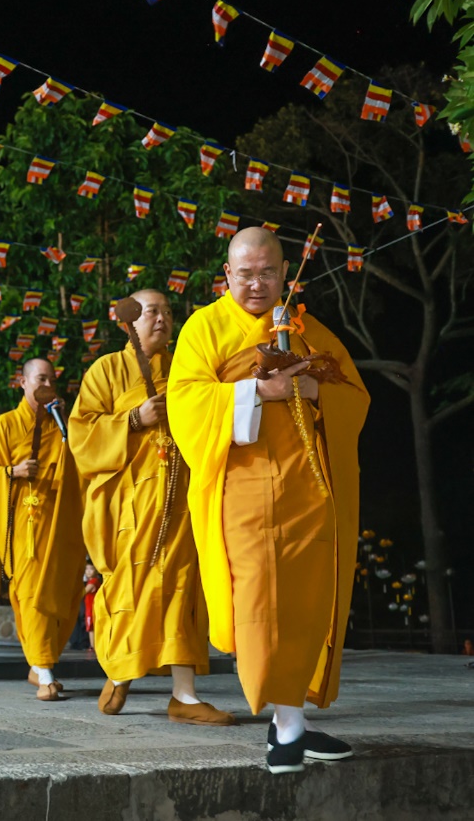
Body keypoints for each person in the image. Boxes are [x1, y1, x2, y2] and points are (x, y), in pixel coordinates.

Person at [167, 227, 368, 774]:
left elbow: (356, 395)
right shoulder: (204, 328)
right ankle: (285, 727)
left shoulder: (304, 330)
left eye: (267, 273)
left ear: (285, 274)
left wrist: (313, 390)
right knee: (261, 606)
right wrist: (258, 390)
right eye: (245, 273)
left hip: (308, 491)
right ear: (226, 275)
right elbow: (184, 405)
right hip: (245, 494)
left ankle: (293, 723)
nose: (256, 283)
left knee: (305, 604)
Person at [70, 288, 234, 726]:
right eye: (150, 312)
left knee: (182, 588)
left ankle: (184, 695)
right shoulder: (106, 370)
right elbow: (81, 434)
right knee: (129, 586)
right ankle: (120, 667)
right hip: (129, 507)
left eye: (167, 311)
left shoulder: (187, 367)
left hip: (181, 499)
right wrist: (132, 419)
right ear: (129, 320)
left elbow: (213, 413)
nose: (162, 319)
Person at [0, 358, 86, 700]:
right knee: (32, 593)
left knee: (63, 595)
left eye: (52, 378)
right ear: (22, 383)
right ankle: (46, 672)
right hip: (23, 525)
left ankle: (39, 665)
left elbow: (83, 466)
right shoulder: (6, 425)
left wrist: (67, 426)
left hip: (60, 524)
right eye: (40, 378)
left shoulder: (64, 425)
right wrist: (12, 471)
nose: (46, 383)